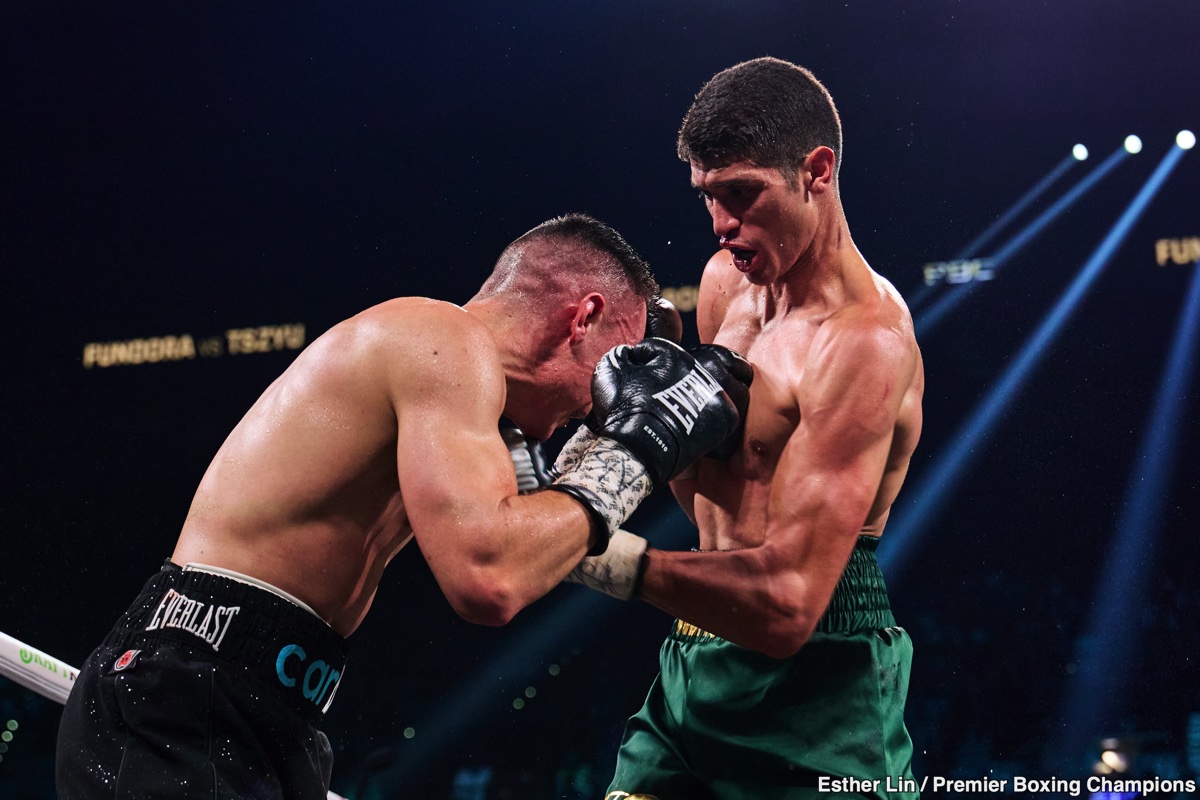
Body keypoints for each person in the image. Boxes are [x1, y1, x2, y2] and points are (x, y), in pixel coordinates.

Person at [54, 213, 753, 800]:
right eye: (618, 360)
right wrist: (641, 445)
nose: (602, 403)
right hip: (187, 690)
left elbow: (540, 541)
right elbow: (490, 578)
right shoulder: (443, 340)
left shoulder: (467, 414)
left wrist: (622, 451)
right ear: (584, 317)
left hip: (265, 704)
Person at [565, 58, 926, 799]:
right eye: (708, 195)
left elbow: (789, 601)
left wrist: (599, 555)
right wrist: (626, 429)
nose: (723, 224)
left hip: (821, 683)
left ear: (816, 172)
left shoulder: (864, 341)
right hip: (695, 656)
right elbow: (714, 486)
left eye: (741, 194)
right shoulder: (725, 285)